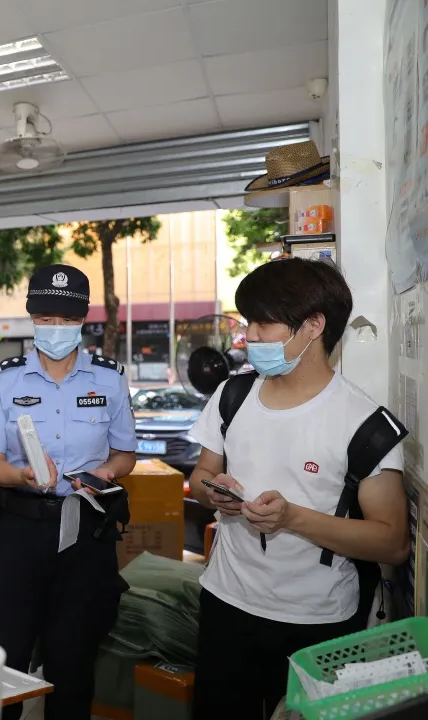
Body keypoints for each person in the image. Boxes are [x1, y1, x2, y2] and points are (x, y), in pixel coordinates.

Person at [188, 258, 408, 720]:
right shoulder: (232, 396)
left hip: (316, 622)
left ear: (313, 326)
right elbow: (201, 475)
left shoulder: (365, 425)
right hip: (227, 602)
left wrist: (292, 518)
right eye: (248, 321)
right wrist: (215, 490)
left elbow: (391, 542)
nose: (250, 335)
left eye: (263, 323)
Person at [0, 264, 136, 720]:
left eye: (66, 319)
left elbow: (125, 454)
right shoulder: (4, 379)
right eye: (45, 318)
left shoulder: (109, 378)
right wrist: (20, 475)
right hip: (20, 533)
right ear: (32, 318)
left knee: (73, 661)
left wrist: (104, 472)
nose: (55, 328)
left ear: (83, 320)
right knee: (5, 657)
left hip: (86, 532)